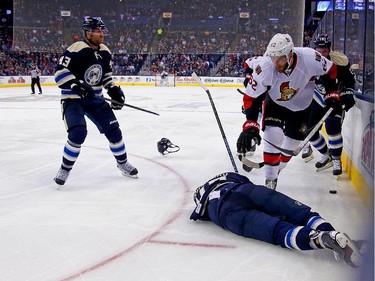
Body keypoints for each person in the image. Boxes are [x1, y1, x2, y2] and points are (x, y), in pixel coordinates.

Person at [190, 172, 362, 267]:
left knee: (278, 231)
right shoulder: (228, 175)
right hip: (246, 189)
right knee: (301, 213)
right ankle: (330, 232)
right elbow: (245, 180)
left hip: (224, 211)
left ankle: (318, 239)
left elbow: (199, 216)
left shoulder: (200, 196)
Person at [237, 33, 340, 189]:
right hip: (276, 103)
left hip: (301, 106)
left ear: (290, 54)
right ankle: (270, 181)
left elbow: (331, 70)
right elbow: (251, 98)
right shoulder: (266, 65)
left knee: (292, 145)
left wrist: (332, 94)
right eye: (273, 58)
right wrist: (250, 125)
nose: (275, 63)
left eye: (280, 59)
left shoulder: (310, 58)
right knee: (273, 135)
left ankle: (276, 170)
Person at [53, 17, 138, 186]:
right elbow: (59, 73)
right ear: (88, 33)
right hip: (73, 99)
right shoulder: (77, 48)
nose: (102, 34)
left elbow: (105, 76)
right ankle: (64, 169)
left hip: (95, 99)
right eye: (98, 31)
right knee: (77, 133)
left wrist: (113, 90)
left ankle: (122, 164)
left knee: (114, 132)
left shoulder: (105, 51)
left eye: (102, 30)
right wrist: (76, 85)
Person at [301, 34, 356, 176]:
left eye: (324, 51)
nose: (322, 54)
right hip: (317, 101)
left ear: (329, 50)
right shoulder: (308, 63)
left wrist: (348, 94)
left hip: (334, 101)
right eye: (319, 51)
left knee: (333, 128)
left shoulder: (339, 63)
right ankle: (327, 154)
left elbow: (349, 80)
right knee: (310, 132)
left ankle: (337, 159)